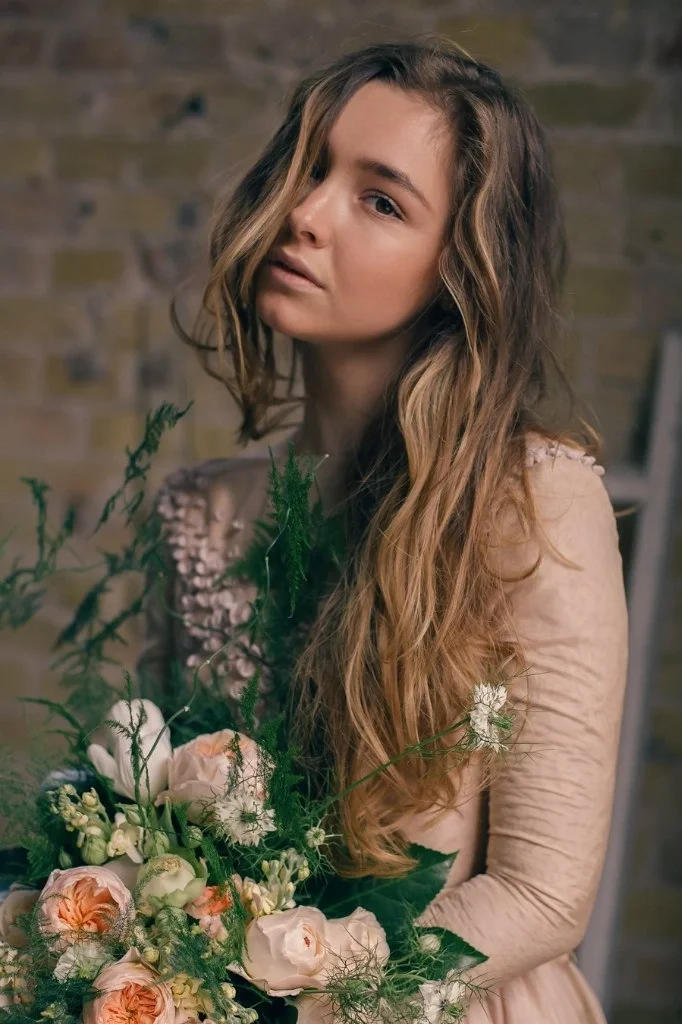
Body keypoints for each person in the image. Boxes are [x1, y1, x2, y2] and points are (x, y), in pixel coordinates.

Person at [138, 39, 629, 1023]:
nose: (306, 213)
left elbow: (541, 897)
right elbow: (152, 815)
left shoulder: (532, 501)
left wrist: (300, 989)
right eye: (308, 167)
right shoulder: (197, 510)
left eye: (380, 200)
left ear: (458, 270)